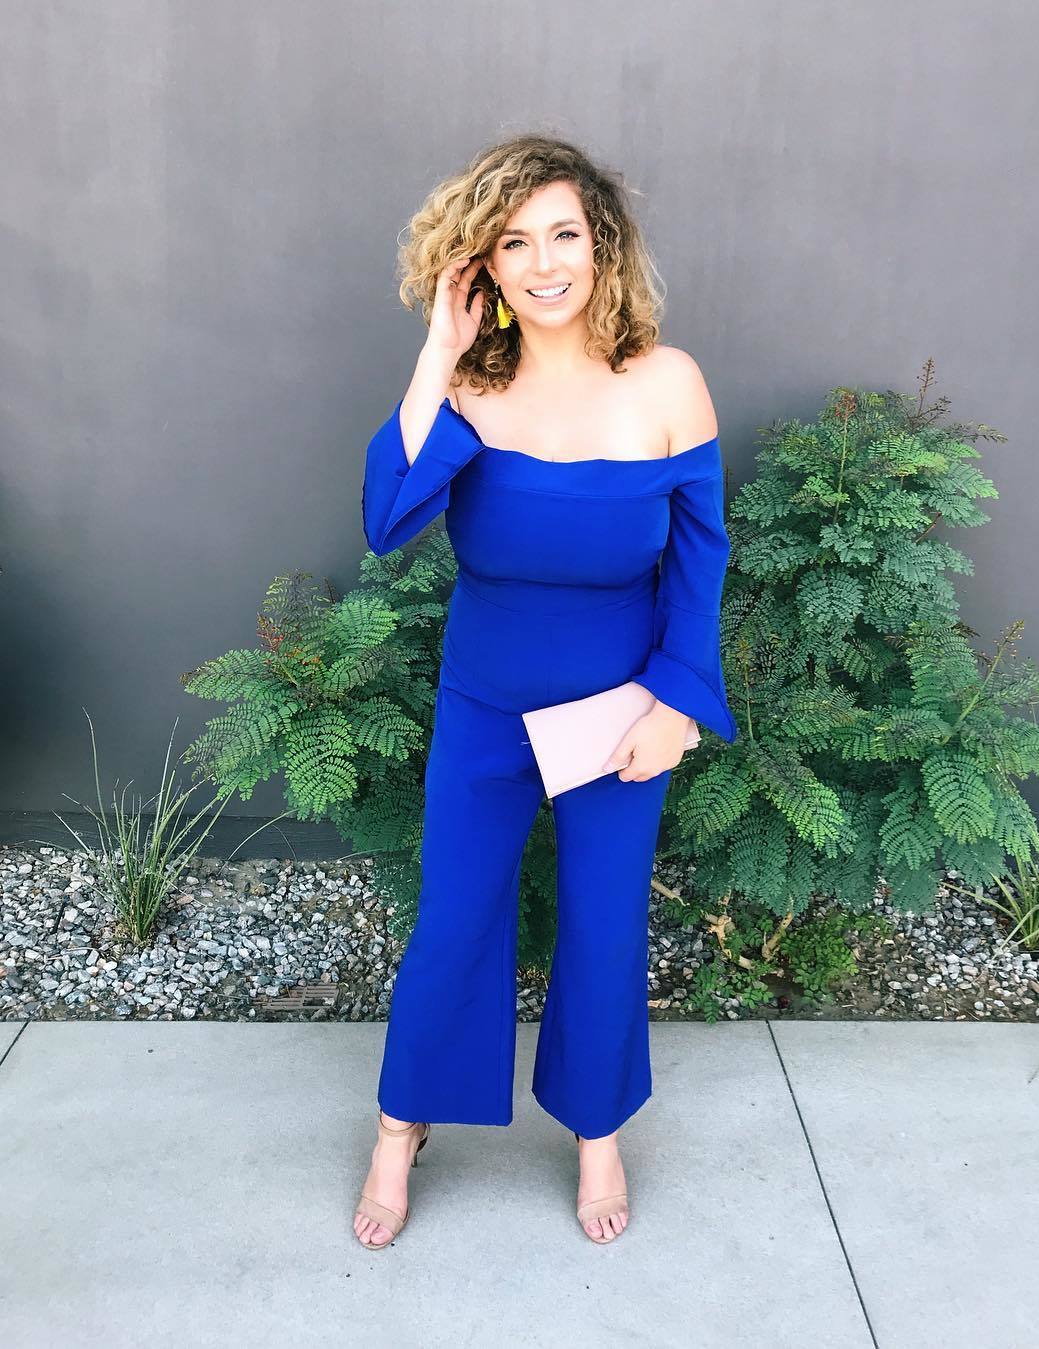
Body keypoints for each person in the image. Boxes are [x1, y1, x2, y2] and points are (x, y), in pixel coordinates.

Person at [354, 133, 737, 1250]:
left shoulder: (669, 383)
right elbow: (387, 519)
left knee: (605, 925)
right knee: (454, 918)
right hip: (485, 703)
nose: (544, 262)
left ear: (601, 245)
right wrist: (439, 349)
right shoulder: (470, 390)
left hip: (621, 710)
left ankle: (597, 1130)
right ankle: (400, 1124)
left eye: (564, 233)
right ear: (483, 264)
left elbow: (700, 558)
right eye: (513, 243)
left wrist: (675, 704)